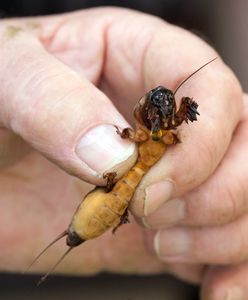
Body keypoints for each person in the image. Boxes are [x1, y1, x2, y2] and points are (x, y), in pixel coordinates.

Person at [0, 7, 246, 300]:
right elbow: (133, 133)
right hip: (109, 196)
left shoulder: (165, 133)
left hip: (125, 213)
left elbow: (177, 135)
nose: (163, 105)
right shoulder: (143, 133)